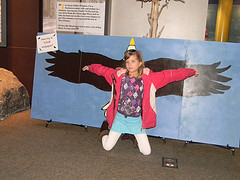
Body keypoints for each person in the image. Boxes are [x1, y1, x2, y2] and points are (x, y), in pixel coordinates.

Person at [82, 38, 199, 155]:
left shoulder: (150, 78)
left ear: (140, 63)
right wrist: (89, 67)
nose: (129, 65)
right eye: (127, 62)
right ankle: (104, 131)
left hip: (136, 121)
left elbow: (171, 75)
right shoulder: (118, 76)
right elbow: (103, 70)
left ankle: (130, 135)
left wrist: (191, 72)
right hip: (120, 119)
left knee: (146, 152)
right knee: (107, 147)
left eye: (133, 61)